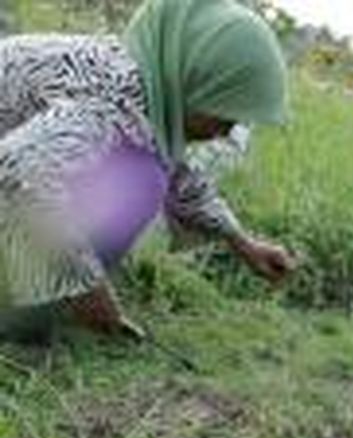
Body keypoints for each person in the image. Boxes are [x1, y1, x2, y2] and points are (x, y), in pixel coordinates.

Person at [0, 0, 294, 342]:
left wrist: (243, 244)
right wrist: (85, 287)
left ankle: (36, 297)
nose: (225, 132)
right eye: (224, 116)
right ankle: (20, 316)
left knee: (147, 172)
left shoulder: (149, 86)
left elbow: (179, 175)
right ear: (193, 83)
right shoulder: (110, 102)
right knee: (140, 181)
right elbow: (19, 174)